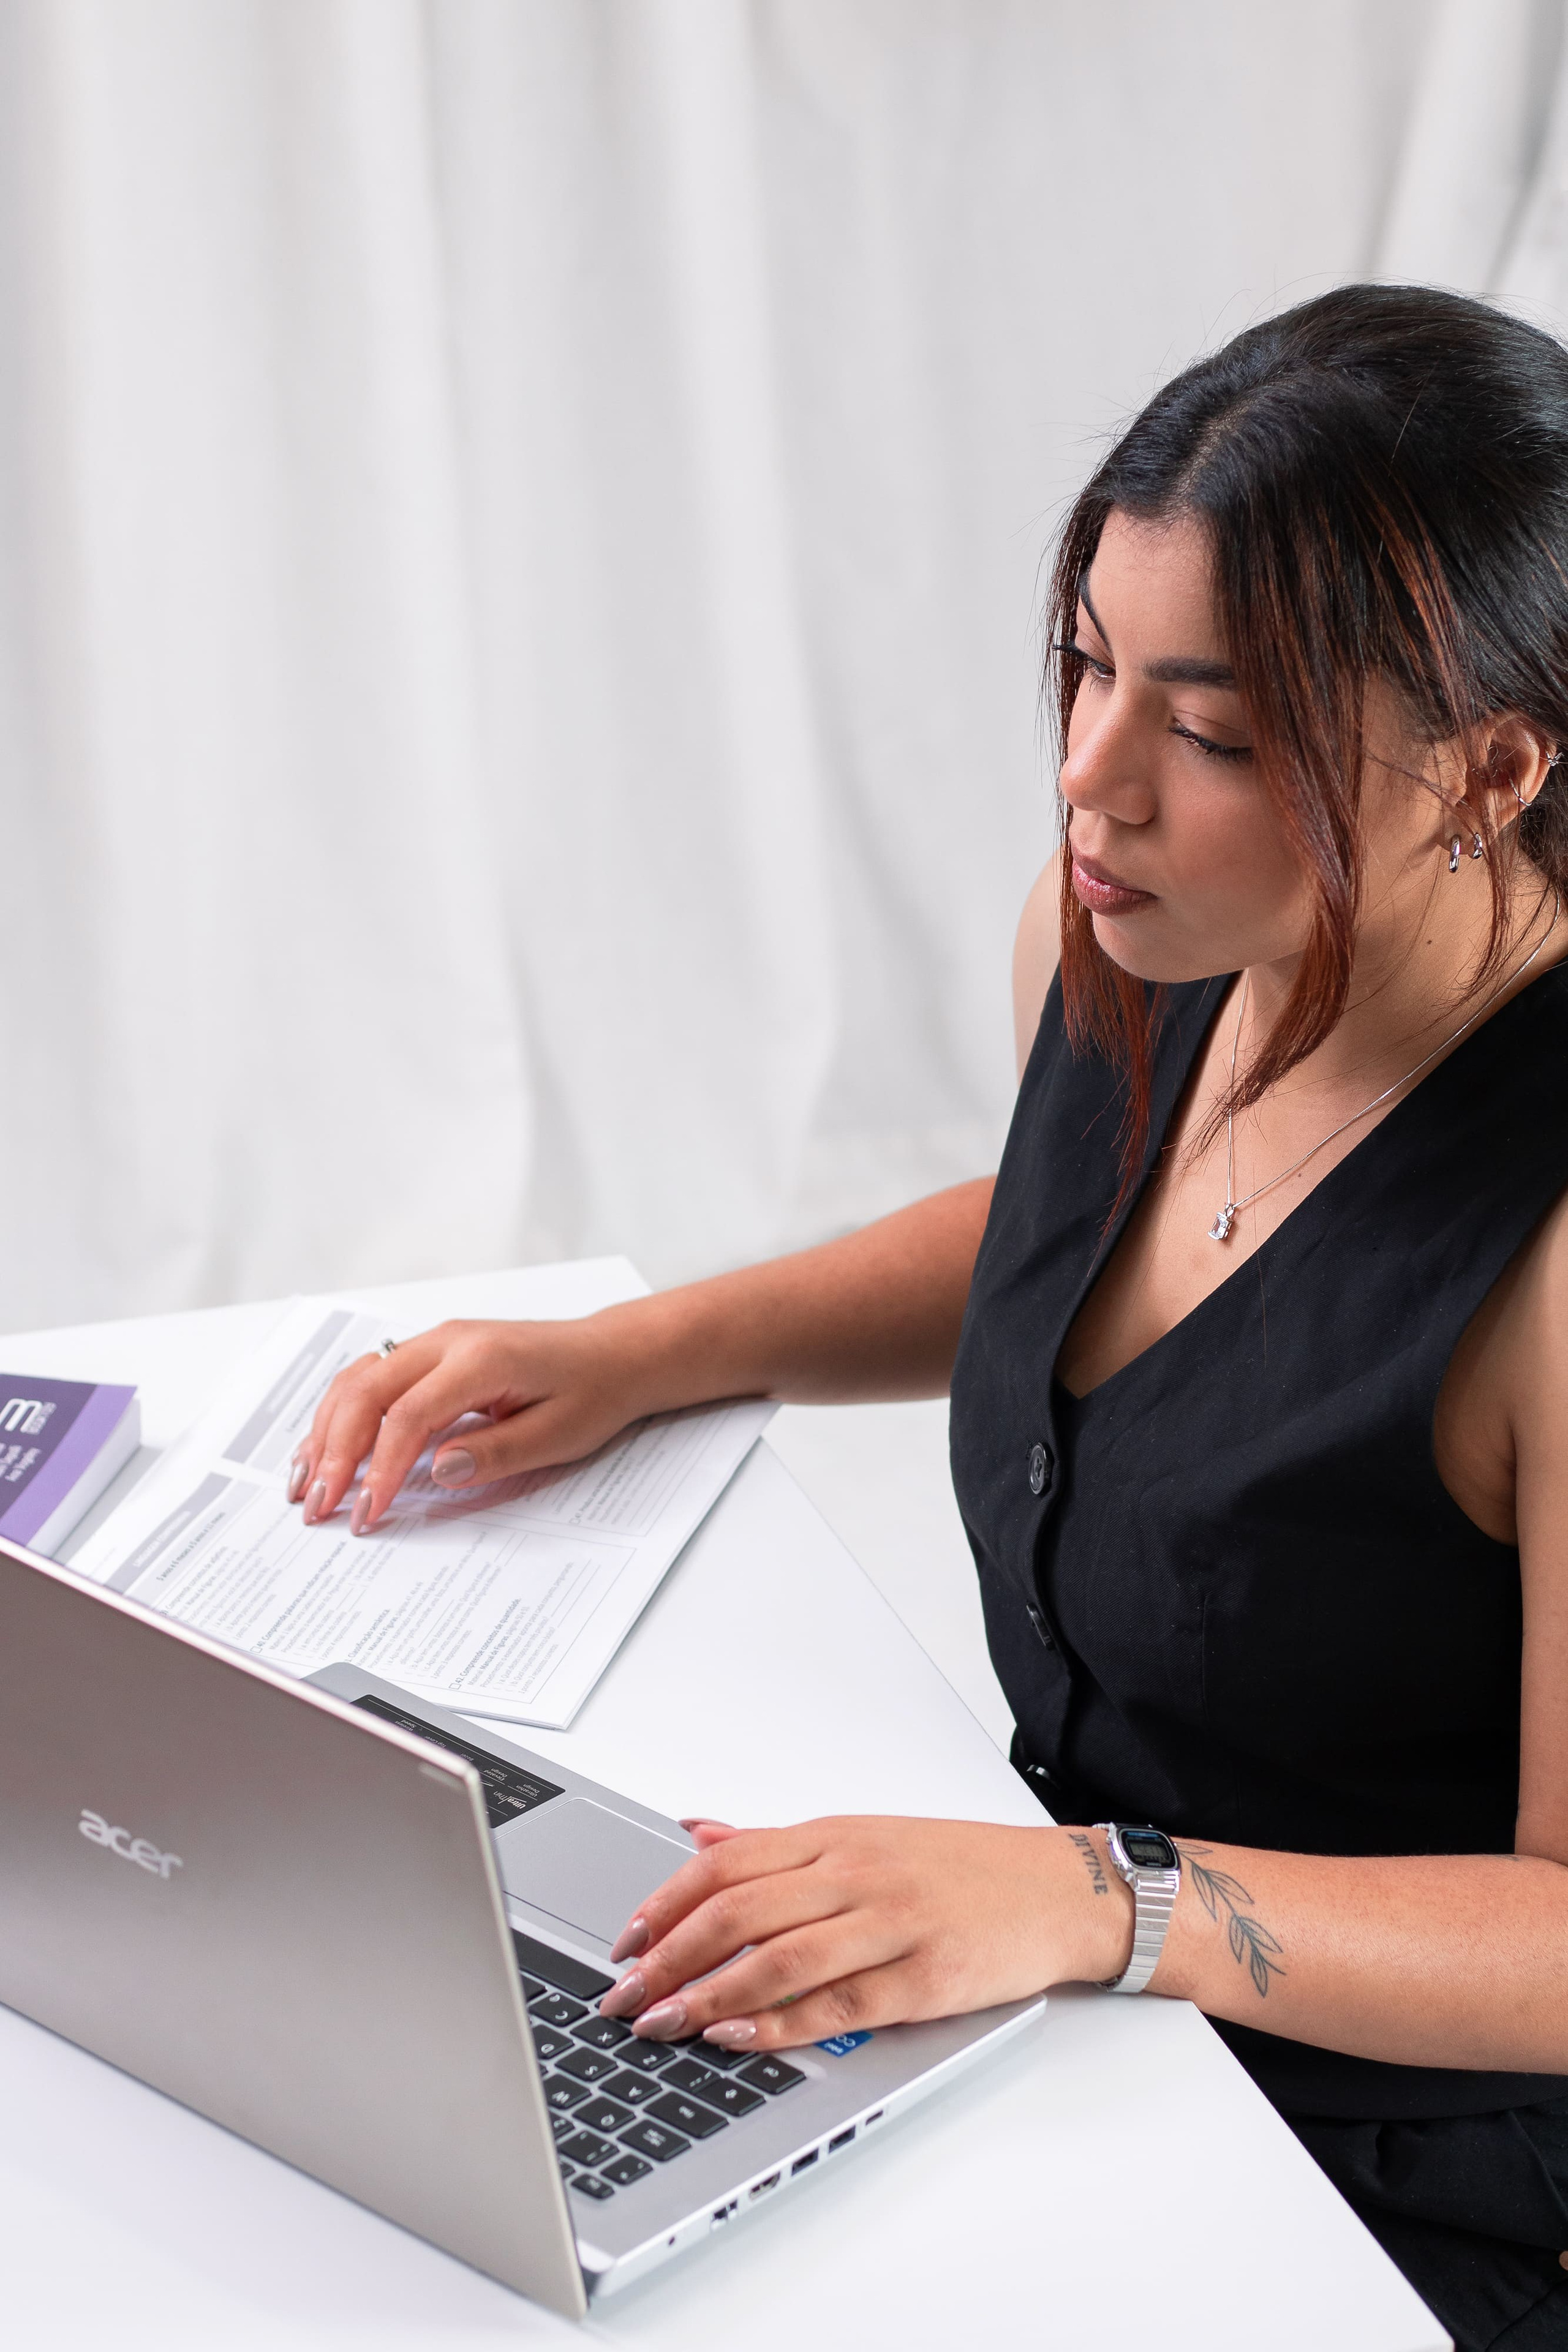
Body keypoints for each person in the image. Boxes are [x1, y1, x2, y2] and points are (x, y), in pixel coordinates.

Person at [293, 286, 1568, 2350]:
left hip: (1403, 2171)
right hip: (1074, 2002)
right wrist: (644, 1351)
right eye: (1091, 666)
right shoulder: (1140, 936)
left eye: (1214, 734)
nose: (1091, 781)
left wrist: (1094, 1901)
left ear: (1487, 771)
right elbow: (1082, 1241)